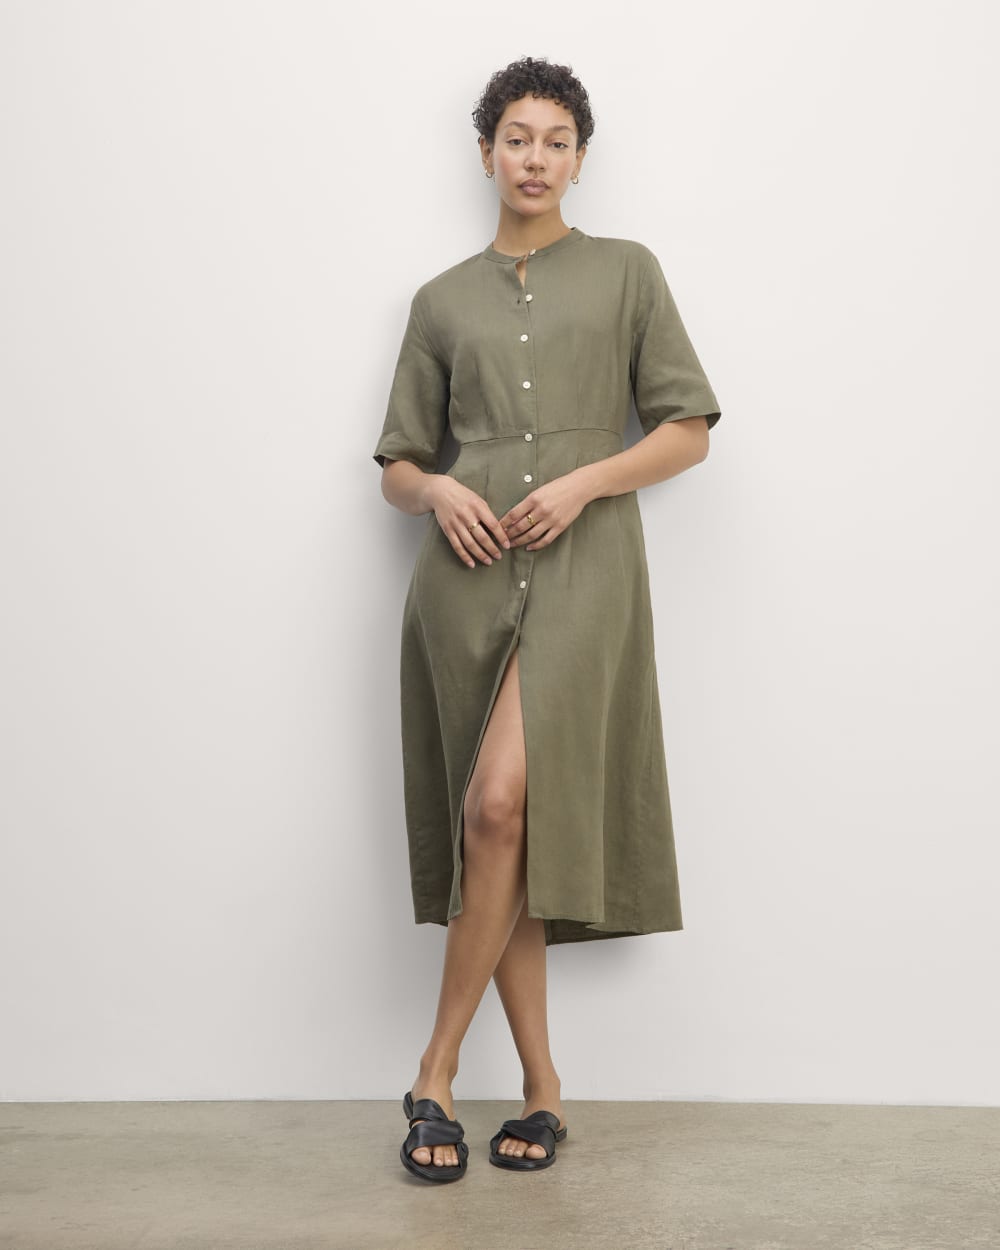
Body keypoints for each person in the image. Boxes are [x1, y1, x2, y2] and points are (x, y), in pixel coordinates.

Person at [372, 55, 722, 1183]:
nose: (535, 158)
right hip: (465, 578)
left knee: (500, 803)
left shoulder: (627, 273)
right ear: (486, 152)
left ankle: (432, 1070)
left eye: (556, 140)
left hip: (585, 570)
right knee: (499, 829)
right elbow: (397, 463)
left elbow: (687, 430)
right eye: (516, 138)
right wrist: (437, 490)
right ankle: (541, 1088)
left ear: (580, 157)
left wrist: (584, 483)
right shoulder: (440, 301)